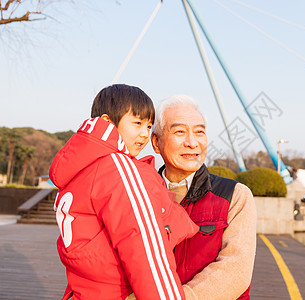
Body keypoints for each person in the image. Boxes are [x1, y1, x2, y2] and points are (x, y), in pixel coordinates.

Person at [49, 84, 198, 299]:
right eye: (137, 123)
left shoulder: (80, 167)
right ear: (107, 123)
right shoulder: (117, 167)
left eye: (148, 126)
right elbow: (145, 247)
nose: (144, 134)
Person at [151, 94, 257, 300]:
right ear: (156, 142)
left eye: (199, 132)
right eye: (180, 132)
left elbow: (235, 270)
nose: (192, 142)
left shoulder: (234, 196)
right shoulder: (139, 196)